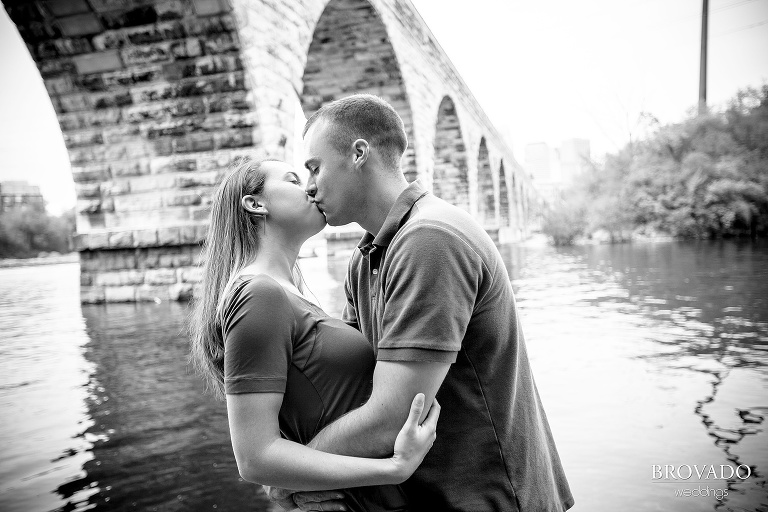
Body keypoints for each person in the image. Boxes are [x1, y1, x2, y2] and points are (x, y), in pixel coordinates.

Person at [267, 94, 575, 511]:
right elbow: (355, 382)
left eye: (314, 167)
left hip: (492, 497)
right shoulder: (367, 256)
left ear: (359, 153)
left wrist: (293, 471)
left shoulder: (430, 239)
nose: (309, 186)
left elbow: (392, 416)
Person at [188, 157, 441, 512]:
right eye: (293, 179)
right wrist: (394, 468)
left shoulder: (287, 294)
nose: (309, 187)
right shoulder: (259, 295)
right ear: (254, 204)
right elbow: (255, 457)